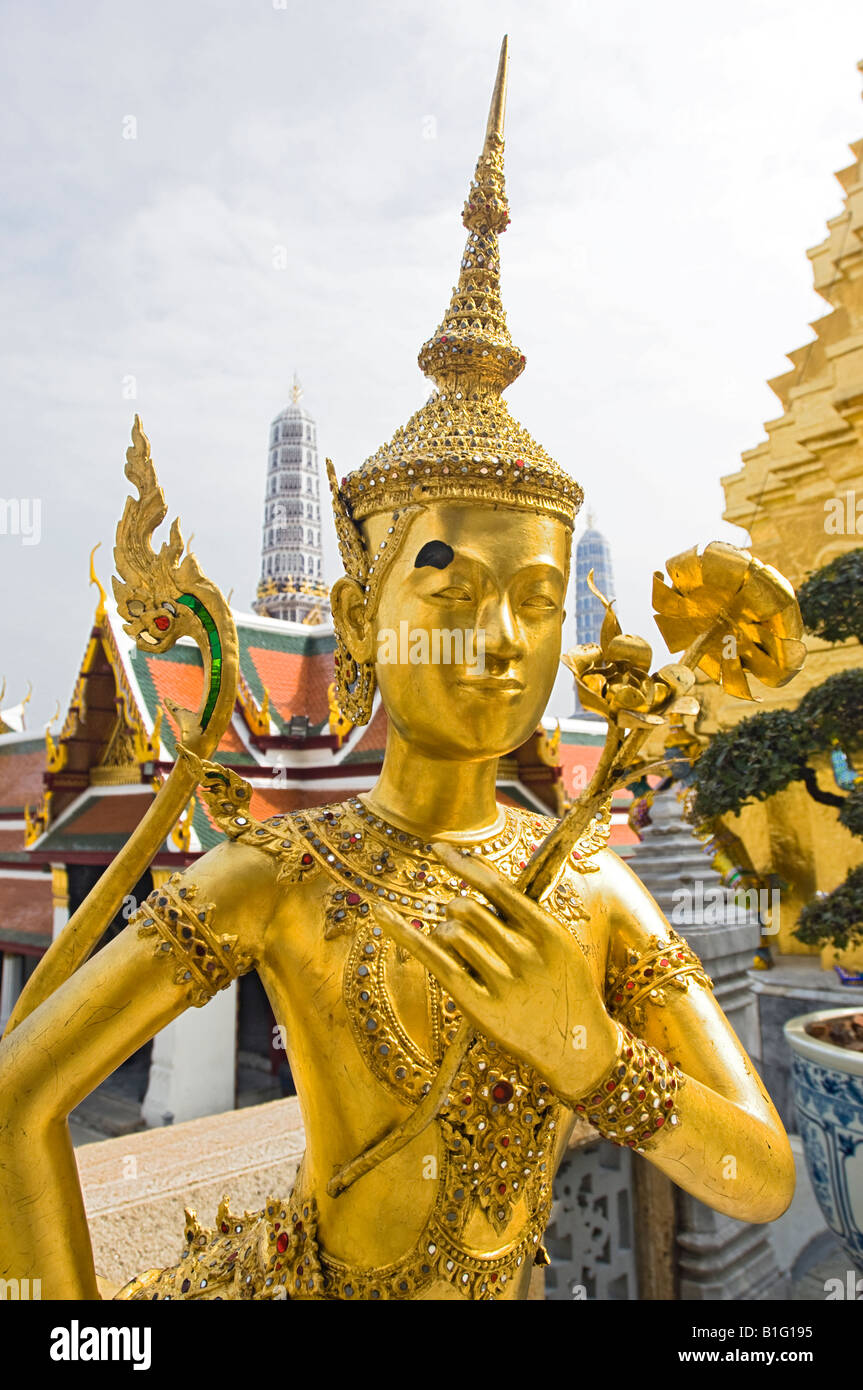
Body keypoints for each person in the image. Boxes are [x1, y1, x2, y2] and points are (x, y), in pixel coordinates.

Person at [0, 39, 793, 1302]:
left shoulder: (591, 886)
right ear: (357, 623)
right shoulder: (281, 873)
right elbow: (17, 1097)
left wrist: (586, 1050)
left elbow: (759, 1175)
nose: (497, 640)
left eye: (538, 602)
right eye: (450, 588)